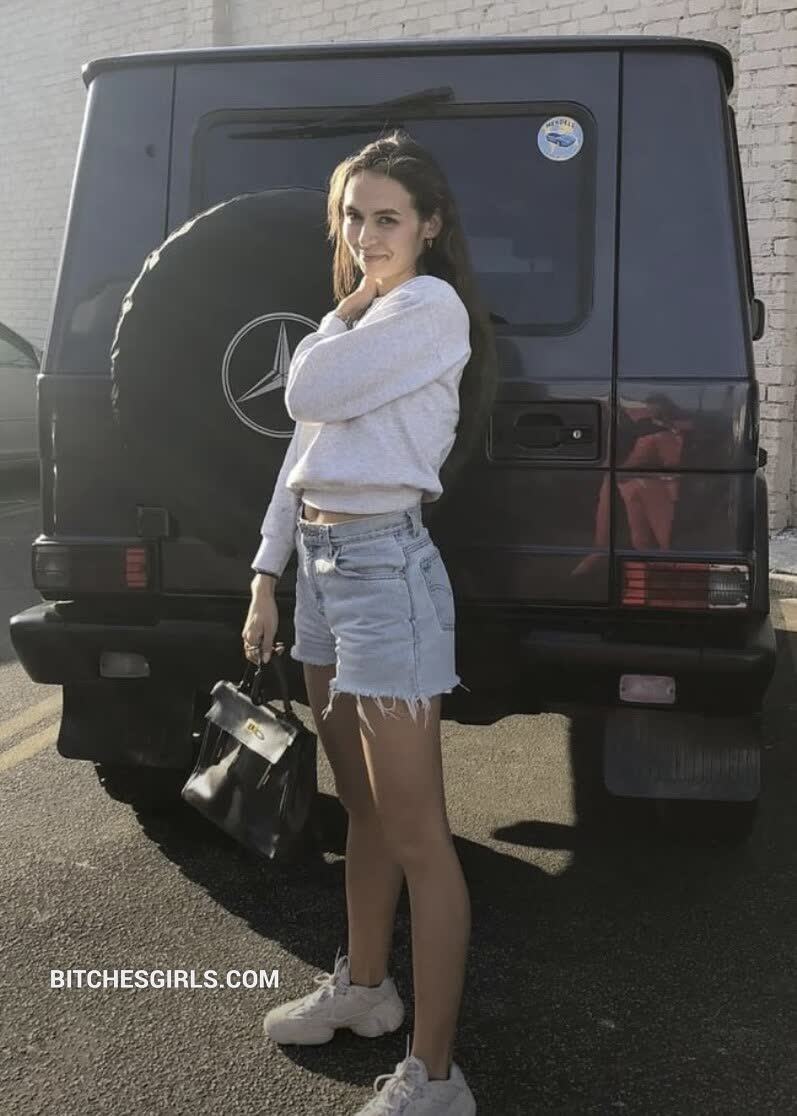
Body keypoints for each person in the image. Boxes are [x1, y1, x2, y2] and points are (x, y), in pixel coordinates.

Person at [241, 129, 497, 1116]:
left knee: (417, 834)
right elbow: (299, 453)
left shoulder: (425, 309)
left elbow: (301, 389)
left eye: (387, 217)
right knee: (359, 808)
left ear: (429, 226)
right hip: (321, 571)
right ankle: (364, 988)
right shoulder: (358, 323)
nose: (365, 234)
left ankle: (435, 1076)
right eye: (352, 216)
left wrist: (340, 309)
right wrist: (266, 574)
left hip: (385, 574)